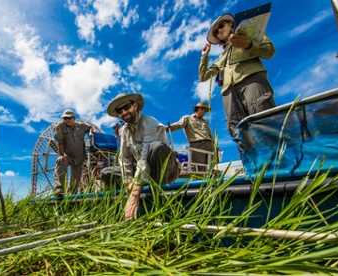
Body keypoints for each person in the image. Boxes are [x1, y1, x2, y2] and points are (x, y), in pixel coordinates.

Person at [100, 93, 181, 220]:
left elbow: (144, 158)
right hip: (142, 171)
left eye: (126, 107)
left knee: (156, 148)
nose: (124, 112)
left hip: (163, 169)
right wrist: (128, 182)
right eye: (119, 111)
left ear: (135, 106)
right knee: (106, 173)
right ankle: (119, 209)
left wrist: (135, 194)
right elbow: (124, 158)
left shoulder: (150, 123)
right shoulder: (124, 130)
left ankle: (159, 201)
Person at [198, 13, 276, 144]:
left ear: (231, 24)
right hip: (229, 92)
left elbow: (269, 51)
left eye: (221, 25)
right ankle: (253, 164)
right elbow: (203, 76)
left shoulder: (251, 33)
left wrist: (248, 44)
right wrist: (205, 56)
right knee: (237, 129)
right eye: (216, 32)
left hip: (251, 80)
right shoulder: (222, 57)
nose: (219, 30)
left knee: (263, 117)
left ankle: (277, 162)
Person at [53, 109, 93, 194]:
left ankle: (71, 195)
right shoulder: (60, 127)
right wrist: (61, 155)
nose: (66, 120)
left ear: (73, 118)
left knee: (75, 179)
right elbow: (60, 142)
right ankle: (59, 189)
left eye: (69, 118)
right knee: (60, 163)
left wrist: (90, 133)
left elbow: (90, 127)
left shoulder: (81, 126)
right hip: (68, 155)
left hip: (79, 157)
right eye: (65, 118)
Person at [167, 102, 214, 172]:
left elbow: (210, 134)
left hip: (209, 144)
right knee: (199, 167)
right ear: (200, 109)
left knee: (211, 164)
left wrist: (215, 146)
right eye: (205, 111)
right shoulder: (188, 118)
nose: (205, 113)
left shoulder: (205, 122)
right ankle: (199, 181)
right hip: (197, 144)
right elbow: (178, 125)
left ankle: (211, 180)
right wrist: (165, 128)